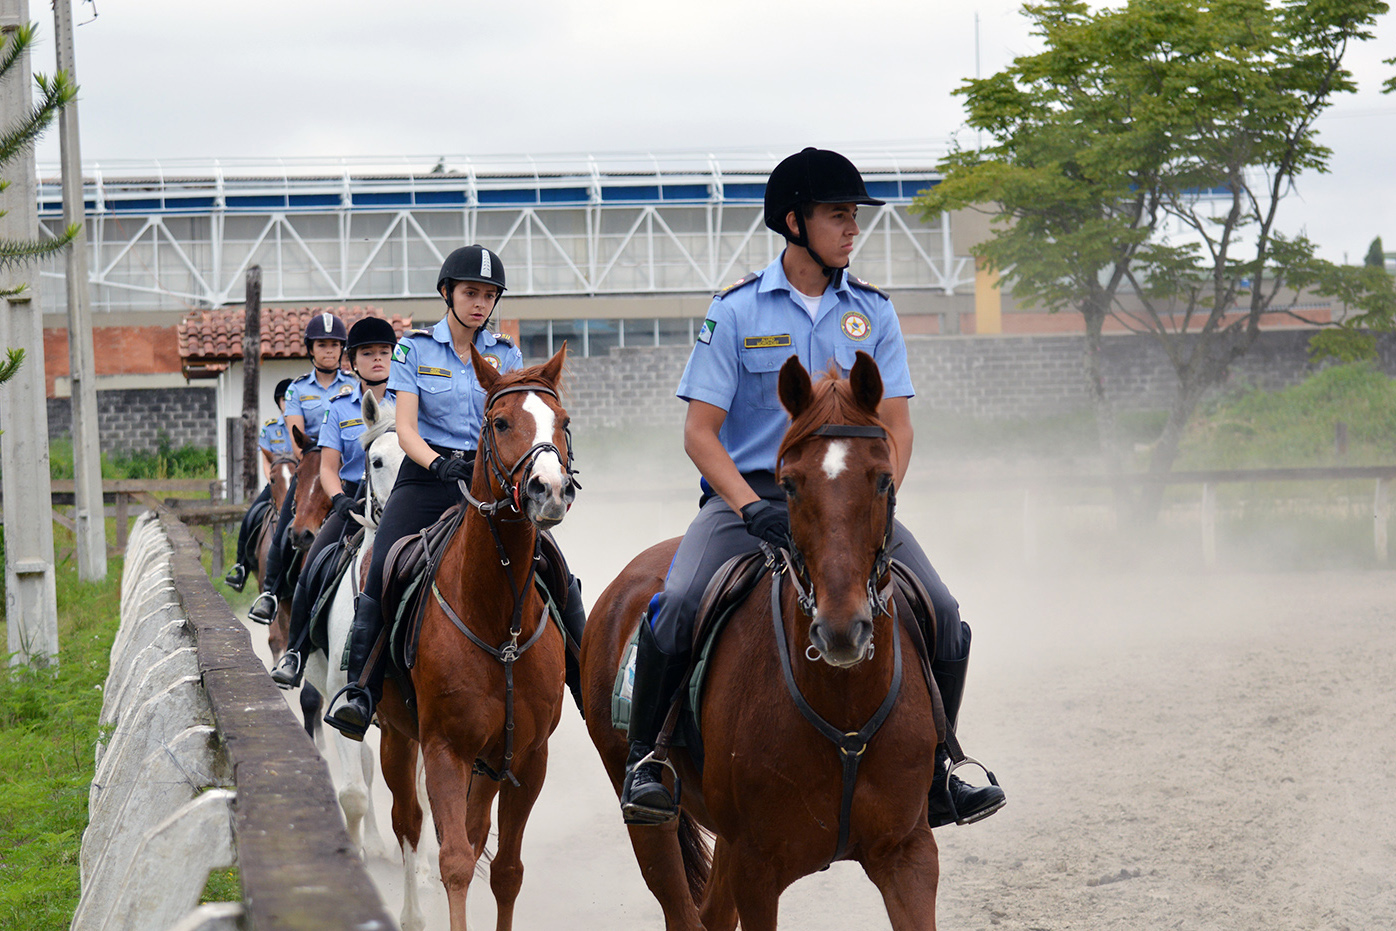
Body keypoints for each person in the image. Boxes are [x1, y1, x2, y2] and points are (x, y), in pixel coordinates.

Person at [619, 147, 1007, 829]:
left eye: (854, 216)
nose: (852, 228)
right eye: (838, 215)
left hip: (852, 501)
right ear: (795, 222)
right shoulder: (736, 310)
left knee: (943, 609)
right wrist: (746, 506)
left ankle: (944, 767)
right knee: (677, 602)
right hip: (751, 501)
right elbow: (700, 432)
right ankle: (647, 758)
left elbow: (898, 426)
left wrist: (874, 502)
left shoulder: (873, 314)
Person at [325, 245, 585, 740]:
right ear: (448, 293)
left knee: (558, 572)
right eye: (470, 293)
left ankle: (584, 679)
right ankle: (360, 690)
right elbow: (404, 428)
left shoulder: (506, 353)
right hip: (429, 478)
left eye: (489, 295)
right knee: (382, 566)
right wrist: (441, 464)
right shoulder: (414, 350)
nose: (479, 303)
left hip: (494, 480)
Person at [270, 316, 398, 689]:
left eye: (384, 353)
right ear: (353, 361)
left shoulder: (411, 399)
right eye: (368, 354)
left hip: (402, 490)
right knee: (315, 565)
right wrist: (340, 499)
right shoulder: (340, 407)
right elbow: (327, 466)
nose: (377, 360)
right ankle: (295, 652)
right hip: (355, 497)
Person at [248, 314, 356, 624]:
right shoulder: (296, 390)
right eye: (322, 345)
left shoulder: (353, 384)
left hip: (349, 469)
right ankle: (270, 592)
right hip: (311, 467)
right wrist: (320, 462)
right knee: (286, 524)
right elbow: (297, 438)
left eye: (335, 345)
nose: (329, 351)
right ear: (311, 349)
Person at [224, 378, 295, 592]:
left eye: (292, 398)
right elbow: (265, 459)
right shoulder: (270, 428)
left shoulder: (306, 426)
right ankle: (241, 567)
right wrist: (272, 481)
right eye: (284, 399)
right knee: (251, 515)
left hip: (301, 483)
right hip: (278, 482)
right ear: (279, 402)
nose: (288, 402)